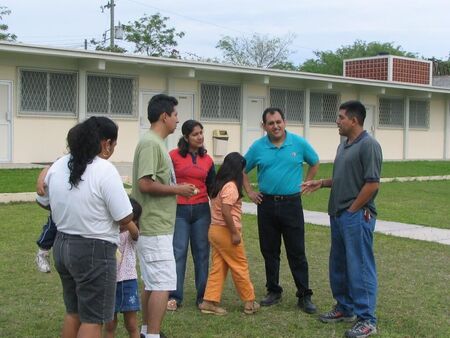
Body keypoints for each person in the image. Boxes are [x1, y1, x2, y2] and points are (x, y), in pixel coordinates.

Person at [36, 116, 137, 338]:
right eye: (114, 144)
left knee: (74, 312)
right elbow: (125, 216)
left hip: (62, 245)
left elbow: (44, 201)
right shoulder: (105, 170)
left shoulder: (59, 165)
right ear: (105, 143)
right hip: (95, 250)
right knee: (93, 319)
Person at [302, 100, 382, 338]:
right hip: (338, 215)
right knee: (339, 264)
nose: (337, 121)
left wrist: (352, 210)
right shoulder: (344, 145)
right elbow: (345, 179)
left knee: (360, 266)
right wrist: (322, 182)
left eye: (341, 117)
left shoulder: (369, 145)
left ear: (354, 120)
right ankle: (344, 308)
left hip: (355, 215)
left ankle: (367, 319)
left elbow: (372, 184)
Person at [131, 94, 197, 338]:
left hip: (156, 226)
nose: (178, 120)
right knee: (162, 284)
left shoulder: (156, 143)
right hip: (153, 226)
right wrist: (178, 190)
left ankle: (147, 331)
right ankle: (153, 335)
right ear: (164, 116)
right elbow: (145, 184)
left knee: (152, 282)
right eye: (176, 115)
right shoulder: (150, 143)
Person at [243, 107, 319, 314]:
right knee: (269, 251)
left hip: (292, 204)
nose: (275, 126)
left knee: (297, 251)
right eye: (271, 123)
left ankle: (304, 295)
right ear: (264, 126)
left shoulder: (298, 143)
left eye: (278, 122)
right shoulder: (258, 147)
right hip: (266, 204)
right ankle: (273, 290)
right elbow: (241, 168)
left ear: (284, 122)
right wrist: (249, 191)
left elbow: (314, 161)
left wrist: (308, 181)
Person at [198, 152, 259, 315]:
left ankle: (208, 302)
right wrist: (234, 233)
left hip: (215, 230)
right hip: (226, 231)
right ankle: (249, 301)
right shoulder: (231, 186)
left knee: (219, 267)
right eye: (242, 170)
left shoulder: (219, 184)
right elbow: (226, 211)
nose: (243, 174)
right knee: (240, 265)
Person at [167, 120, 216, 311]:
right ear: (186, 137)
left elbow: (212, 187)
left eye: (201, 133)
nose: (200, 137)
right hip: (179, 210)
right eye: (195, 134)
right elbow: (166, 181)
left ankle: (203, 297)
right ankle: (174, 296)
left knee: (202, 254)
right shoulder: (172, 156)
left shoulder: (208, 160)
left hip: (202, 210)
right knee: (178, 252)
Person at [105, 197, 142, 338]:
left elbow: (134, 231)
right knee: (109, 325)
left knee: (132, 324)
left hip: (128, 282)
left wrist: (124, 217)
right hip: (108, 282)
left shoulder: (132, 236)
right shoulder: (108, 232)